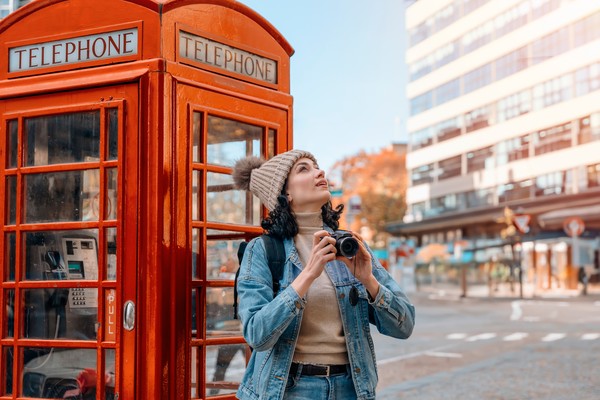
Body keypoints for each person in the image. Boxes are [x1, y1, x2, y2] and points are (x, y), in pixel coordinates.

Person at [232, 149, 415, 400]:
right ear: (285, 193)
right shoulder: (263, 250)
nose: (320, 172)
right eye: (304, 169)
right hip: (289, 389)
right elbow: (256, 334)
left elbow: (405, 326)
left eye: (317, 166)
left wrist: (369, 281)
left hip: (352, 388)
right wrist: (307, 275)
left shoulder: (350, 246)